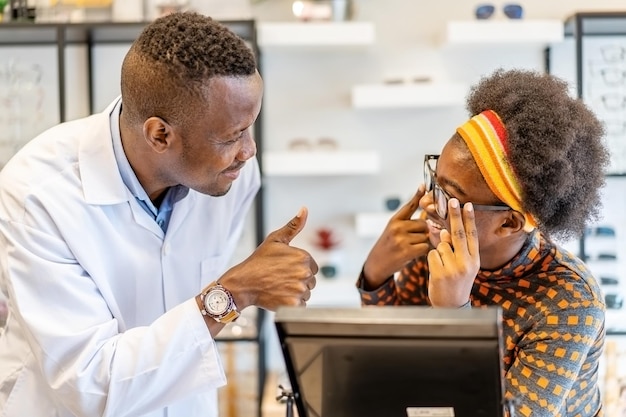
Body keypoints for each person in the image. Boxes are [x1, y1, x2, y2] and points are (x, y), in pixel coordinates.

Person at [0, 12, 318, 417]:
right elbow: (90, 386)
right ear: (159, 134)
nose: (249, 150)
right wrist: (232, 294)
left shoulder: (233, 174)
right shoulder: (37, 195)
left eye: (250, 127)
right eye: (231, 136)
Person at [358, 69, 608, 416]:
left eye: (451, 196)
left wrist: (455, 314)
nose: (430, 204)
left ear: (509, 222)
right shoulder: (437, 248)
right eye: (435, 180)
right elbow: (396, 362)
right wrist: (376, 274)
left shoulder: (570, 301)